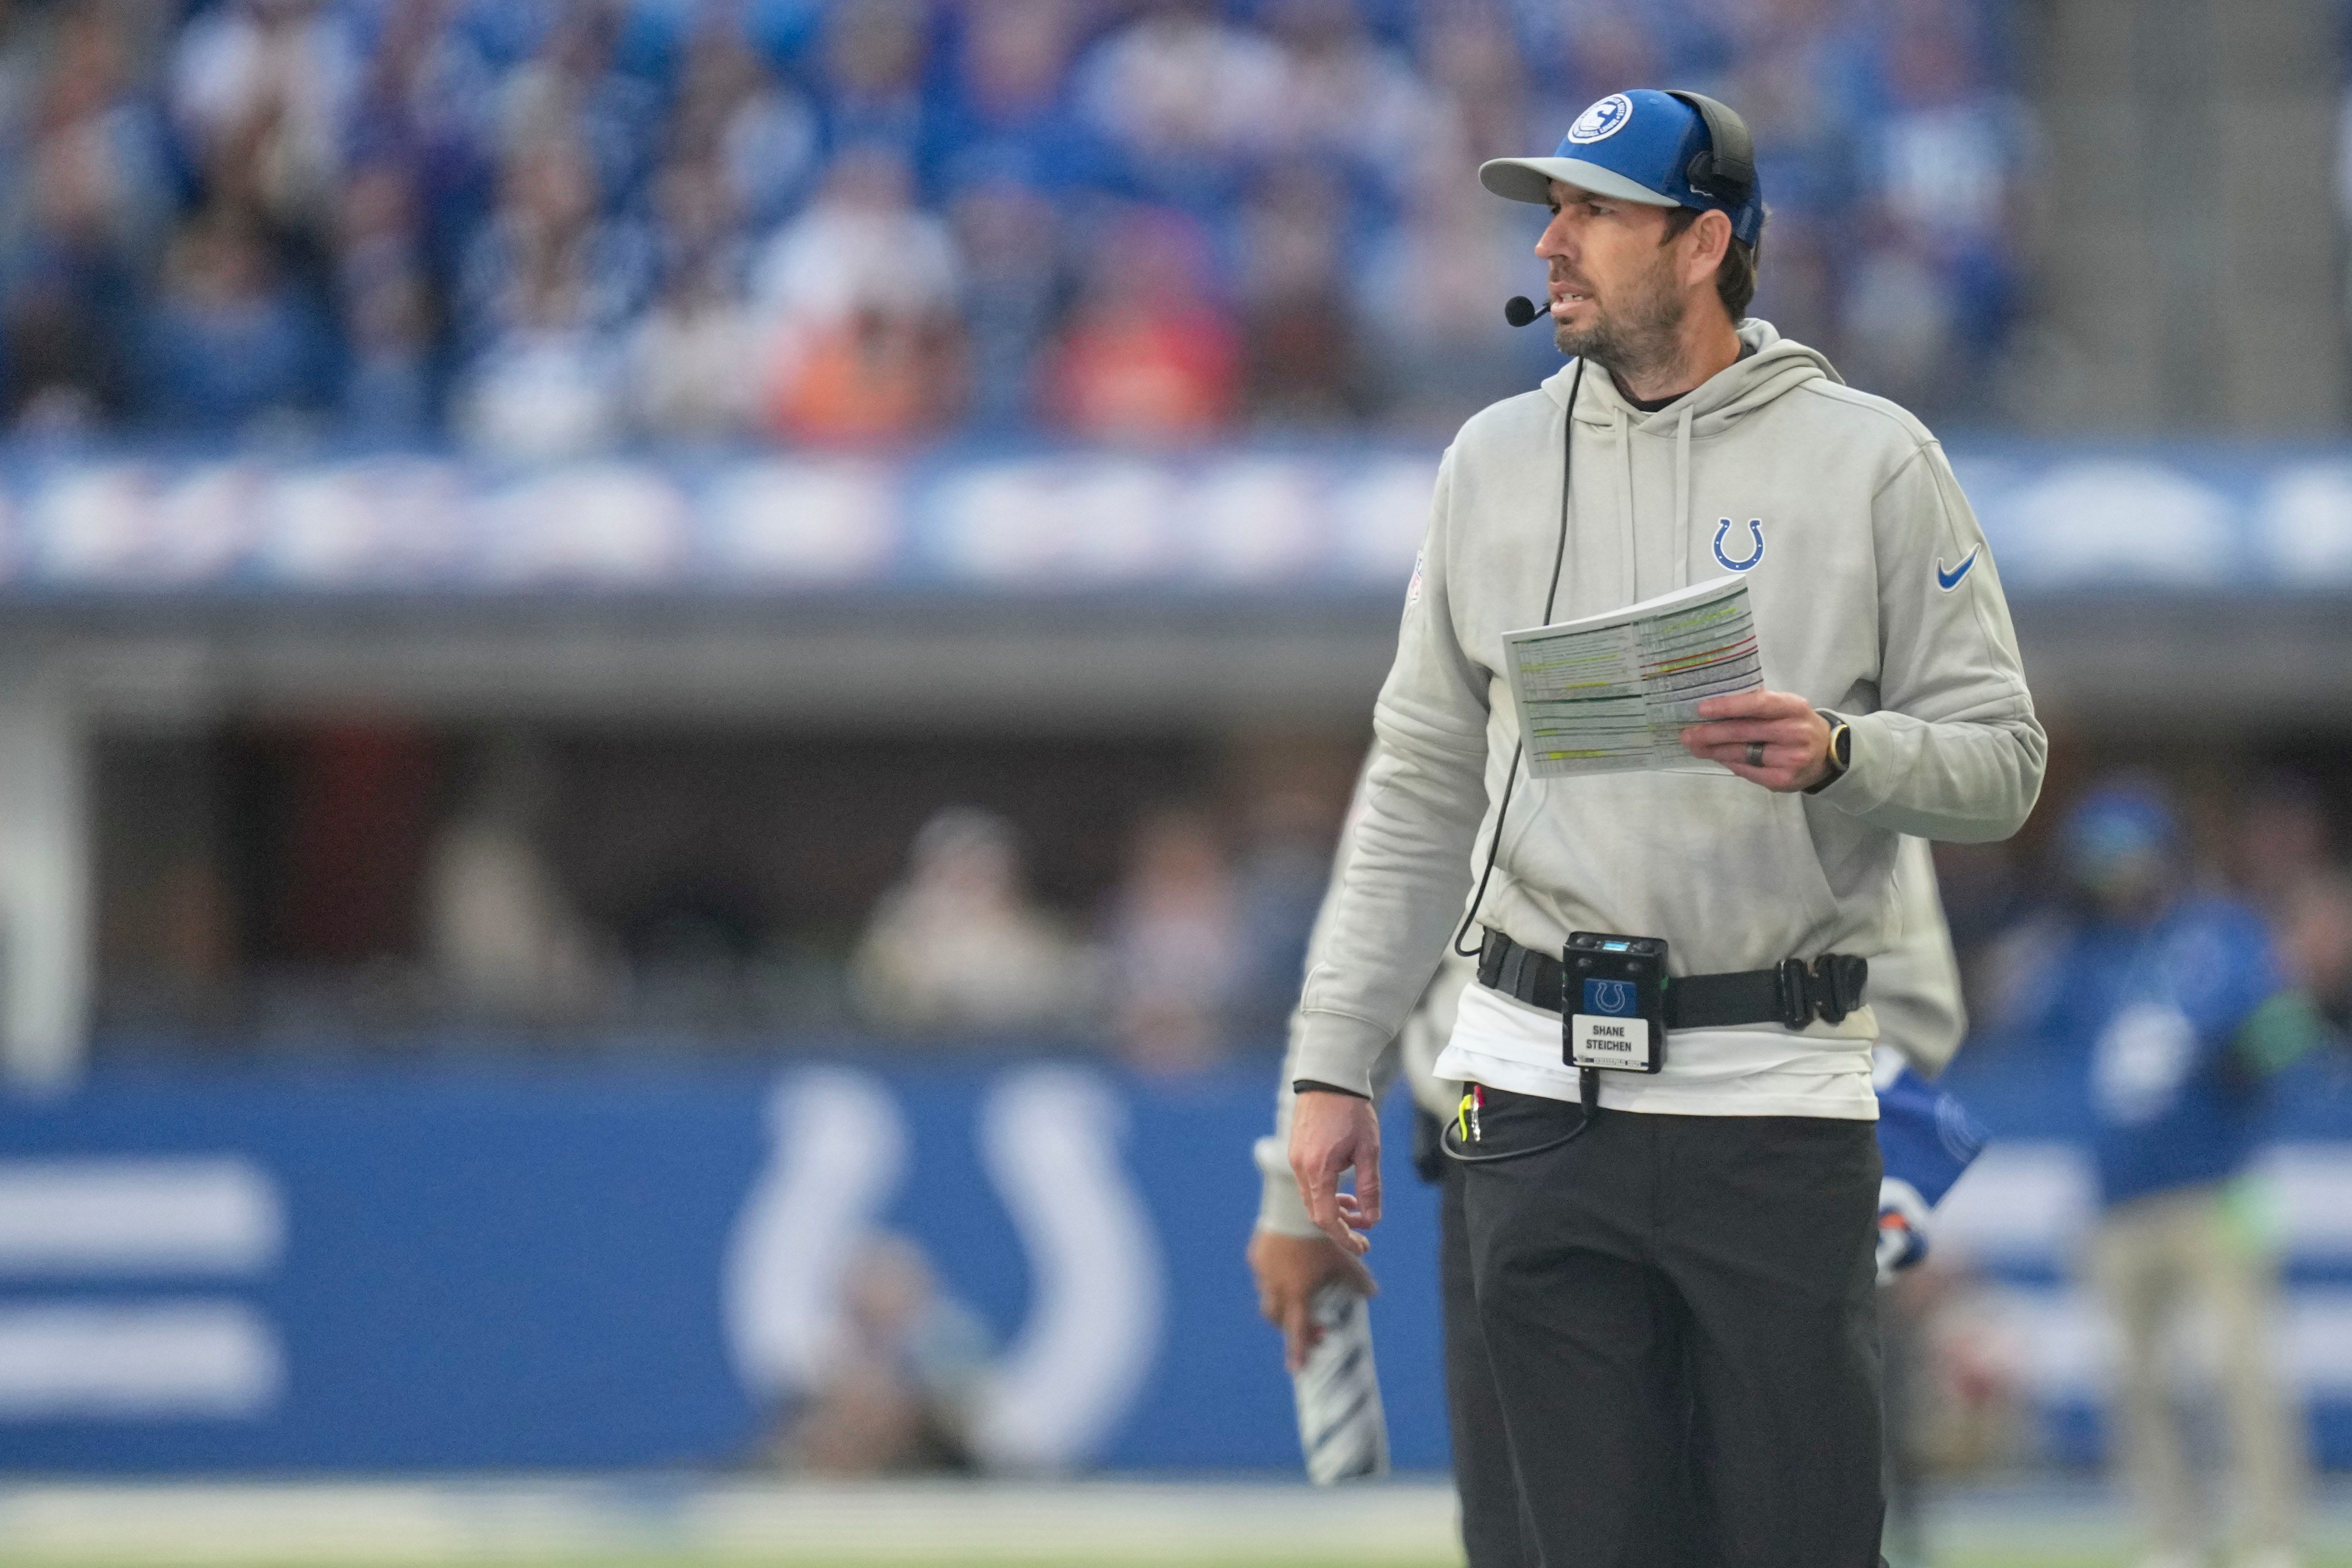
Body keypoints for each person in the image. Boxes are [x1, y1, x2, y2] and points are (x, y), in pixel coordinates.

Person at [1283, 88, 2043, 1567]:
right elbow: (1423, 781)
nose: (1553, 241)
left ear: (1705, 245)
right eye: (1548, 212)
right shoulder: (1489, 463)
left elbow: (2005, 763)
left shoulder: (1876, 460)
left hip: (1771, 1089)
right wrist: (1331, 1059)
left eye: (1593, 212)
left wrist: (1842, 750)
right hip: (1526, 1093)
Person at [1252, 761, 1976, 1568]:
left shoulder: (1800, 702)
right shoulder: (1488, 674)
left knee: (1777, 1528)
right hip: (1506, 1140)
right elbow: (1382, 899)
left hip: (1760, 1149)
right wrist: (1295, 1183)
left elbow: (1906, 984)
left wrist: (1850, 1163)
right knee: (1529, 1538)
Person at [2004, 779, 2322, 1568]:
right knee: (2135, 1379)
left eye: (2126, 854)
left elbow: (2286, 1026)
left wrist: (2249, 1060)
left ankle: (2269, 1532)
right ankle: (2172, 1532)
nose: (2114, 873)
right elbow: (2021, 1021)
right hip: (2115, 1194)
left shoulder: (2219, 930)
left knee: (2241, 1367)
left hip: (2215, 1186)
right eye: (2098, 860)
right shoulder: (2076, 953)